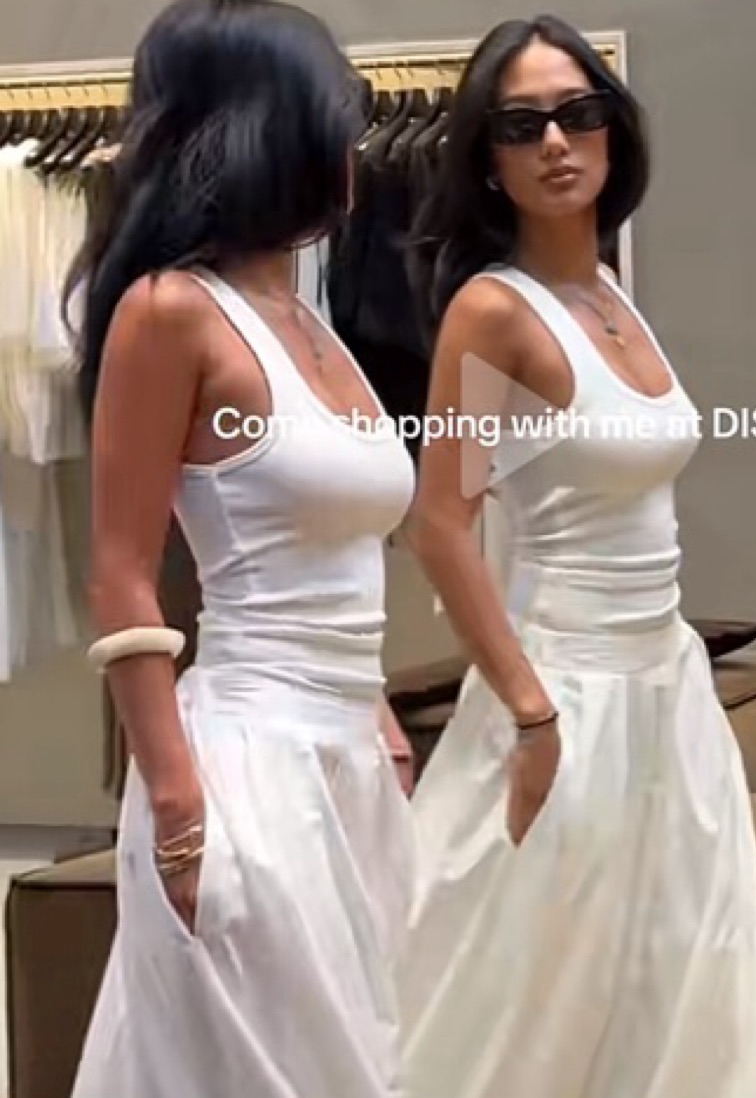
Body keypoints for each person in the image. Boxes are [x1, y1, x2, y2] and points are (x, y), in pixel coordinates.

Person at [395, 15, 756, 1098]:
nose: (555, 140)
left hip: (665, 690)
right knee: (532, 1008)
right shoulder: (494, 313)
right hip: (567, 694)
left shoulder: (609, 293)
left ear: (612, 130)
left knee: (683, 982)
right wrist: (529, 710)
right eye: (521, 124)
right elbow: (440, 523)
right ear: (487, 159)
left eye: (577, 112)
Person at [64, 2, 417, 1096]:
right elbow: (121, 570)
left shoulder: (306, 316)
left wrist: (378, 716)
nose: (353, 141)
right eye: (336, 113)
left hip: (349, 765)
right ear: (274, 124)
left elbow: (328, 549)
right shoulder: (169, 312)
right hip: (244, 768)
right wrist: (176, 803)